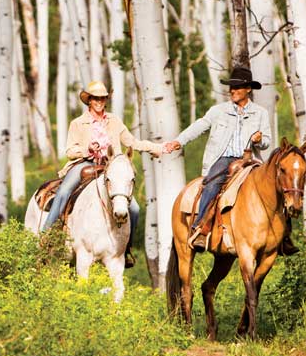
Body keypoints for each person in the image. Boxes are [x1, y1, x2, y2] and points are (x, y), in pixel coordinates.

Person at [41, 81, 163, 258]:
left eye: (102, 98)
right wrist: (87, 150)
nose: (99, 101)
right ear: (89, 100)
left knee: (134, 209)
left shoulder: (114, 121)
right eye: (95, 98)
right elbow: (69, 151)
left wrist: (156, 148)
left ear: (106, 100)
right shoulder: (78, 123)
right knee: (64, 191)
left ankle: (125, 248)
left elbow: (132, 142)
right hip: (85, 163)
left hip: (112, 168)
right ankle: (47, 235)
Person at [163, 66, 274, 248]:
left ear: (248, 89)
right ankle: (200, 227)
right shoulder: (218, 111)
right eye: (231, 87)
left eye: (237, 87)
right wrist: (179, 141)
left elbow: (267, 142)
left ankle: (282, 235)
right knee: (212, 184)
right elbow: (199, 126)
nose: (232, 91)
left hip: (250, 160)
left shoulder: (260, 113)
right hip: (225, 159)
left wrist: (260, 139)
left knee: (276, 184)